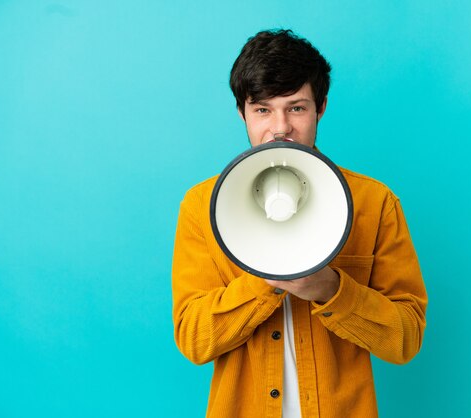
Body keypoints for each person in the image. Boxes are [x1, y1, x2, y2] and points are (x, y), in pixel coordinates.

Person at [172, 29, 427, 418]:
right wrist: (265, 277)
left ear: (321, 107)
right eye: (262, 110)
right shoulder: (202, 206)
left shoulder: (375, 204)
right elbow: (193, 339)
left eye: (296, 108)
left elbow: (405, 339)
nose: (280, 128)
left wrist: (332, 289)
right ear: (241, 111)